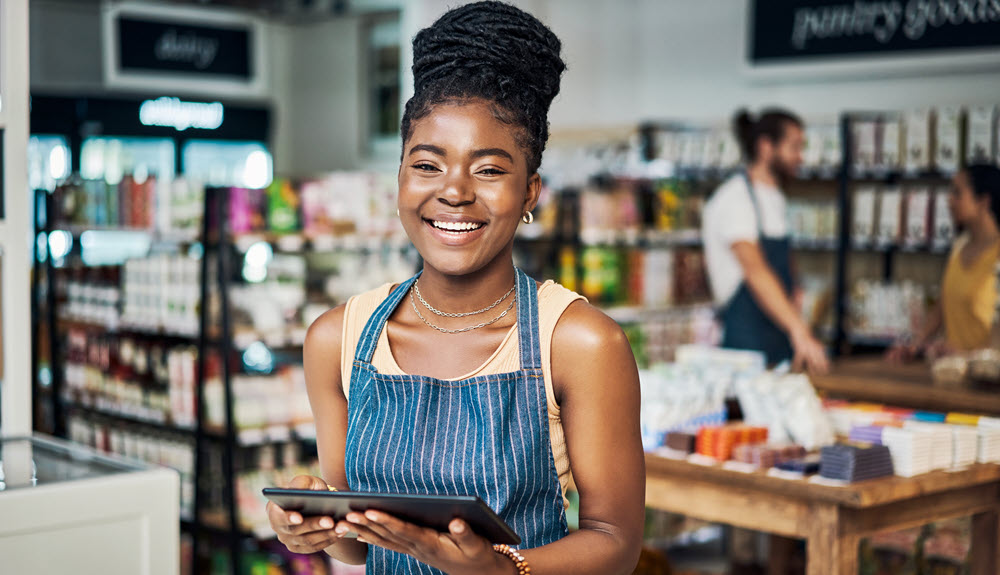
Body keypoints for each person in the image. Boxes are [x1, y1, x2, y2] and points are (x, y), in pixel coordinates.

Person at [266, 3, 646, 574]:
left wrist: (502, 570)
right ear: (399, 177)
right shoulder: (338, 339)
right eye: (427, 164)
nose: (454, 192)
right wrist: (312, 529)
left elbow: (615, 542)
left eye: (490, 170)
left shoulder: (578, 343)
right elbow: (356, 545)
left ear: (530, 193)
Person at [701, 108, 829, 373]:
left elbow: (784, 264)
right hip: (746, 344)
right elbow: (756, 271)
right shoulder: (735, 199)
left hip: (779, 337)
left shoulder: (775, 198)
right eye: (794, 147)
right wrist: (799, 330)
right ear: (766, 147)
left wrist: (798, 301)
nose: (800, 157)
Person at [888, 164, 1000, 361]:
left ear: (983, 201)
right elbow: (942, 305)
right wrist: (915, 345)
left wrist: (968, 356)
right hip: (952, 374)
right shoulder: (959, 247)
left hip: (987, 379)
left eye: (957, 193)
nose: (949, 200)